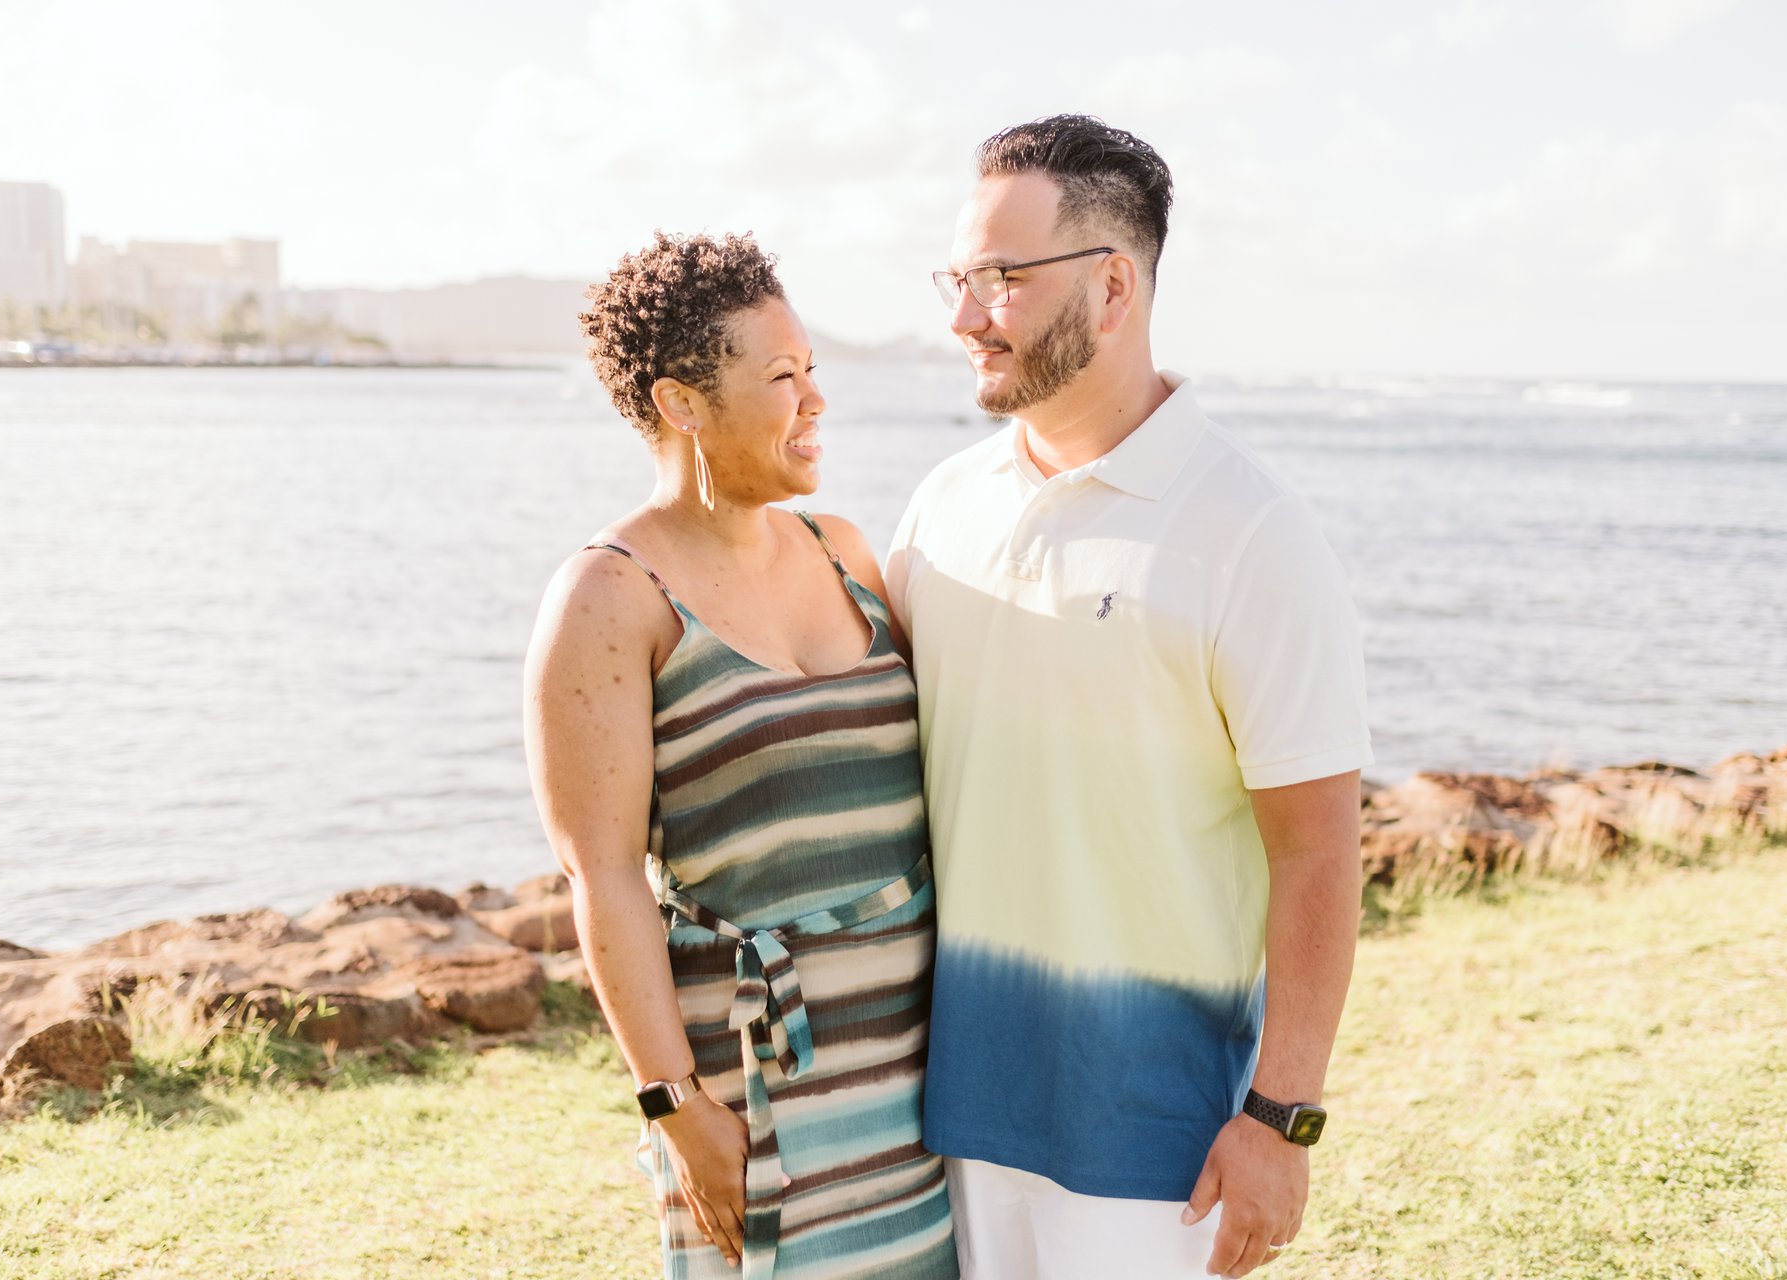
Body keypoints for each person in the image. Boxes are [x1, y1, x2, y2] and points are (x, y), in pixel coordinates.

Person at [885, 116, 1371, 1280]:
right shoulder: (941, 508)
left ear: (1113, 287)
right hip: (951, 1112)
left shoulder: (1250, 527)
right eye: (959, 279)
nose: (964, 317)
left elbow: (1318, 850)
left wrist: (1282, 1117)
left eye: (1002, 278)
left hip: (1158, 1135)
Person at [524, 231, 958, 1280]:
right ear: (681, 403)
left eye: (812, 369)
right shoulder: (608, 597)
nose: (816, 400)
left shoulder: (845, 551)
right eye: (782, 377)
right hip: (751, 1080)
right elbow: (603, 875)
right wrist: (676, 1104)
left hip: (923, 1064)